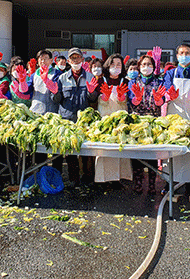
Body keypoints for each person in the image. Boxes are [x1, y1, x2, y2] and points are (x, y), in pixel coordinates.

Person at [163, 43, 190, 197]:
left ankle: (189, 185)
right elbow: (166, 90)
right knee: (172, 150)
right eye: (181, 53)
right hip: (174, 115)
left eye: (187, 52)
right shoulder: (170, 74)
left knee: (189, 152)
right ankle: (168, 183)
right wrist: (170, 95)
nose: (184, 55)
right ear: (177, 56)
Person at [53, 48, 96, 187]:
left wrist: (90, 93)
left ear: (82, 60)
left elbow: (94, 98)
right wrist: (54, 93)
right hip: (67, 119)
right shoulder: (62, 78)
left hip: (84, 120)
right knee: (70, 151)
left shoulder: (89, 77)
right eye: (73, 58)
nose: (75, 60)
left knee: (85, 150)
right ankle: (73, 178)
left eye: (78, 58)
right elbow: (57, 99)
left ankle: (87, 177)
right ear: (69, 61)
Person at [127, 54, 167, 193]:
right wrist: (137, 99)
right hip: (137, 123)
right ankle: (138, 183)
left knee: (152, 156)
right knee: (137, 155)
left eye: (149, 65)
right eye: (143, 64)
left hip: (153, 122)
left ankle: (151, 184)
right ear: (139, 67)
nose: (146, 67)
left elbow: (161, 101)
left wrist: (158, 101)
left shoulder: (159, 82)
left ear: (154, 67)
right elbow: (131, 101)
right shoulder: (133, 82)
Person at [94, 53, 131, 185]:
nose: (115, 67)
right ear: (108, 65)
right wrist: (104, 97)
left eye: (118, 65)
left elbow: (128, 101)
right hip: (105, 117)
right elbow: (95, 99)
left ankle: (119, 178)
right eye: (113, 64)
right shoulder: (101, 80)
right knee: (104, 148)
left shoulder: (125, 82)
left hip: (120, 119)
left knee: (119, 147)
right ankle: (102, 179)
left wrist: (122, 98)